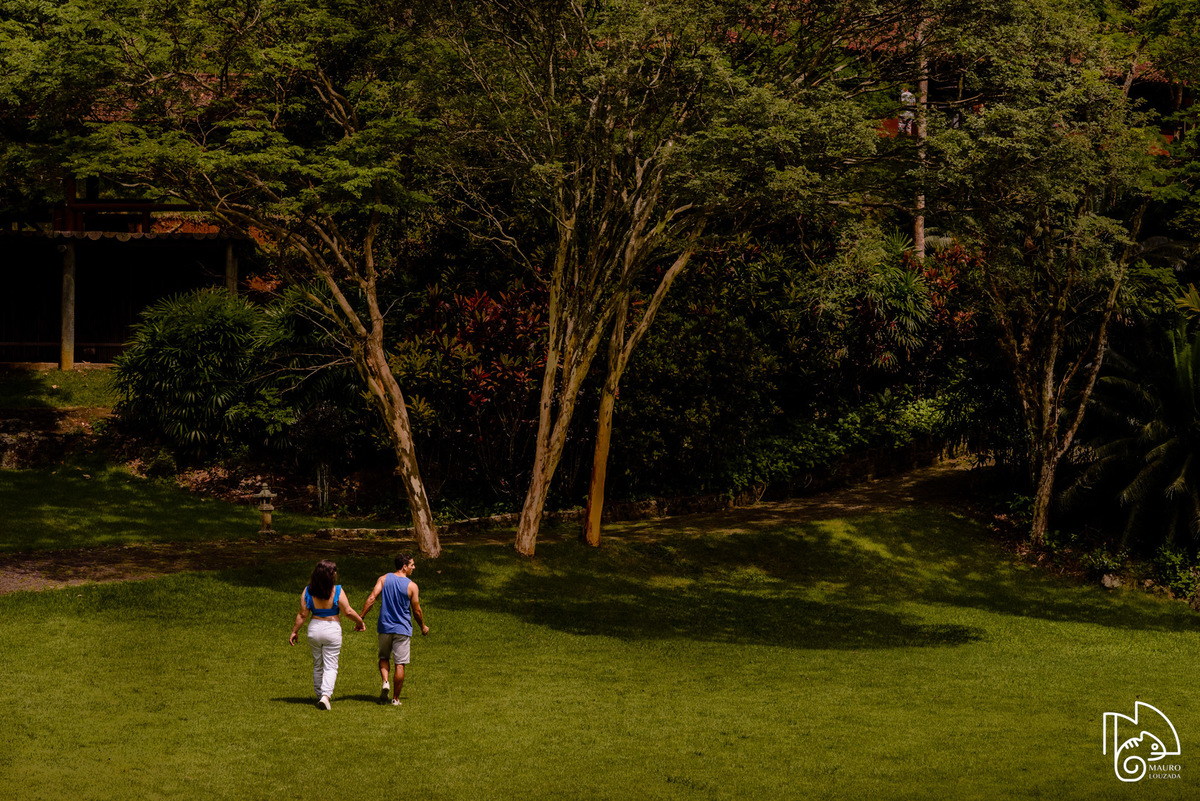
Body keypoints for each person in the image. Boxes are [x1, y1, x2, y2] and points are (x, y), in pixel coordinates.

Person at [289, 559, 366, 710]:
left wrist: (294, 631)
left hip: (314, 629)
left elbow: (302, 615)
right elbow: (347, 611)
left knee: (318, 664)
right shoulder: (337, 590)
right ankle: (325, 696)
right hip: (332, 629)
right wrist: (360, 622)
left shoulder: (308, 590)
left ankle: (320, 696)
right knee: (331, 666)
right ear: (331, 575)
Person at [360, 553, 429, 706]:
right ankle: (395, 699)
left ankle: (385, 682)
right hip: (402, 629)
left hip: (384, 627)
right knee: (400, 663)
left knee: (384, 657)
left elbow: (372, 598)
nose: (414, 567)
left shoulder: (383, 579)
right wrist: (423, 627)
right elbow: (417, 611)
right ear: (404, 567)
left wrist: (361, 618)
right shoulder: (412, 586)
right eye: (412, 565)